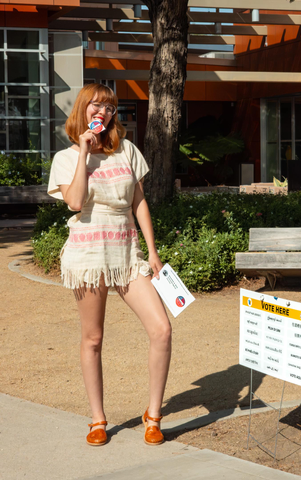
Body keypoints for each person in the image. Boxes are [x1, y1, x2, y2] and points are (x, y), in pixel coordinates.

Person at [47, 84, 171, 447]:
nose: (101, 112)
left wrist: (152, 251)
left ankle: (153, 415)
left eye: (108, 107)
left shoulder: (128, 151)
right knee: (93, 338)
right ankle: (97, 419)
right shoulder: (66, 158)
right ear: (82, 111)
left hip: (128, 253)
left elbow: (139, 203)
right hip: (87, 255)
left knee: (161, 329)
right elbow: (73, 202)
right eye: (95, 105)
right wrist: (85, 152)